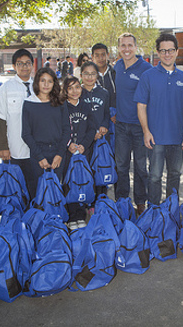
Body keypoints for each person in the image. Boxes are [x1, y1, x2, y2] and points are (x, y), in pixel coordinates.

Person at [135, 33, 183, 206]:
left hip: (177, 138)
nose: (167, 54)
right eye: (163, 51)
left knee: (175, 175)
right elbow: (141, 106)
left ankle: (171, 209)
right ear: (158, 53)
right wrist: (146, 132)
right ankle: (154, 211)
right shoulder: (148, 76)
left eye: (171, 50)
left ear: (177, 52)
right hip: (155, 138)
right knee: (154, 177)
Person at [113, 33, 152, 214]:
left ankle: (141, 201)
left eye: (130, 45)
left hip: (140, 127)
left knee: (140, 167)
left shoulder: (146, 68)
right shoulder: (117, 67)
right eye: (123, 45)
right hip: (120, 125)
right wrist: (112, 112)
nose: (126, 49)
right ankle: (122, 200)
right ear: (119, 48)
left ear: (136, 47)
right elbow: (113, 93)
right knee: (121, 165)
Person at [0, 49, 37, 199]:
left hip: (37, 149)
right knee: (16, 187)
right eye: (20, 64)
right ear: (14, 65)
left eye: (28, 63)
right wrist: (2, 147)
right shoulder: (6, 89)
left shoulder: (39, 86)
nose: (24, 67)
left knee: (35, 186)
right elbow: (0, 118)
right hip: (15, 149)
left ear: (32, 65)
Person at [21, 67, 70, 196]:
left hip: (58, 152)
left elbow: (67, 130)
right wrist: (40, 157)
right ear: (37, 82)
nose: (46, 84)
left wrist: (59, 154)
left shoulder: (60, 102)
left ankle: (57, 216)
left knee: (56, 191)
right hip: (38, 154)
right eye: (43, 80)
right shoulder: (29, 103)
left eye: (50, 81)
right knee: (40, 192)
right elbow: (26, 134)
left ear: (54, 83)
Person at [62, 76, 96, 229]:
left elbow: (91, 129)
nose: (74, 91)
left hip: (83, 153)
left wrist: (84, 145)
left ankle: (81, 214)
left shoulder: (86, 107)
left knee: (81, 183)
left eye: (77, 87)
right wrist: (68, 144)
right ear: (65, 91)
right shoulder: (62, 107)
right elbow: (59, 130)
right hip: (68, 153)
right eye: (70, 88)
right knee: (69, 183)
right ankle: (71, 216)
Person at [80, 61, 110, 199]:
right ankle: (88, 202)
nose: (89, 77)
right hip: (85, 139)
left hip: (101, 139)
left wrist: (104, 126)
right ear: (81, 75)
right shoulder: (77, 93)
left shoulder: (103, 92)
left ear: (97, 75)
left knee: (101, 169)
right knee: (87, 171)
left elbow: (106, 113)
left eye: (93, 74)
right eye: (86, 74)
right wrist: (91, 133)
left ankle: (101, 200)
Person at [92, 43, 117, 111]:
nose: (100, 58)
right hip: (97, 118)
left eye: (103, 55)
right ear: (92, 57)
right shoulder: (89, 78)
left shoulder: (115, 74)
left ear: (107, 55)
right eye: (97, 55)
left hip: (115, 117)